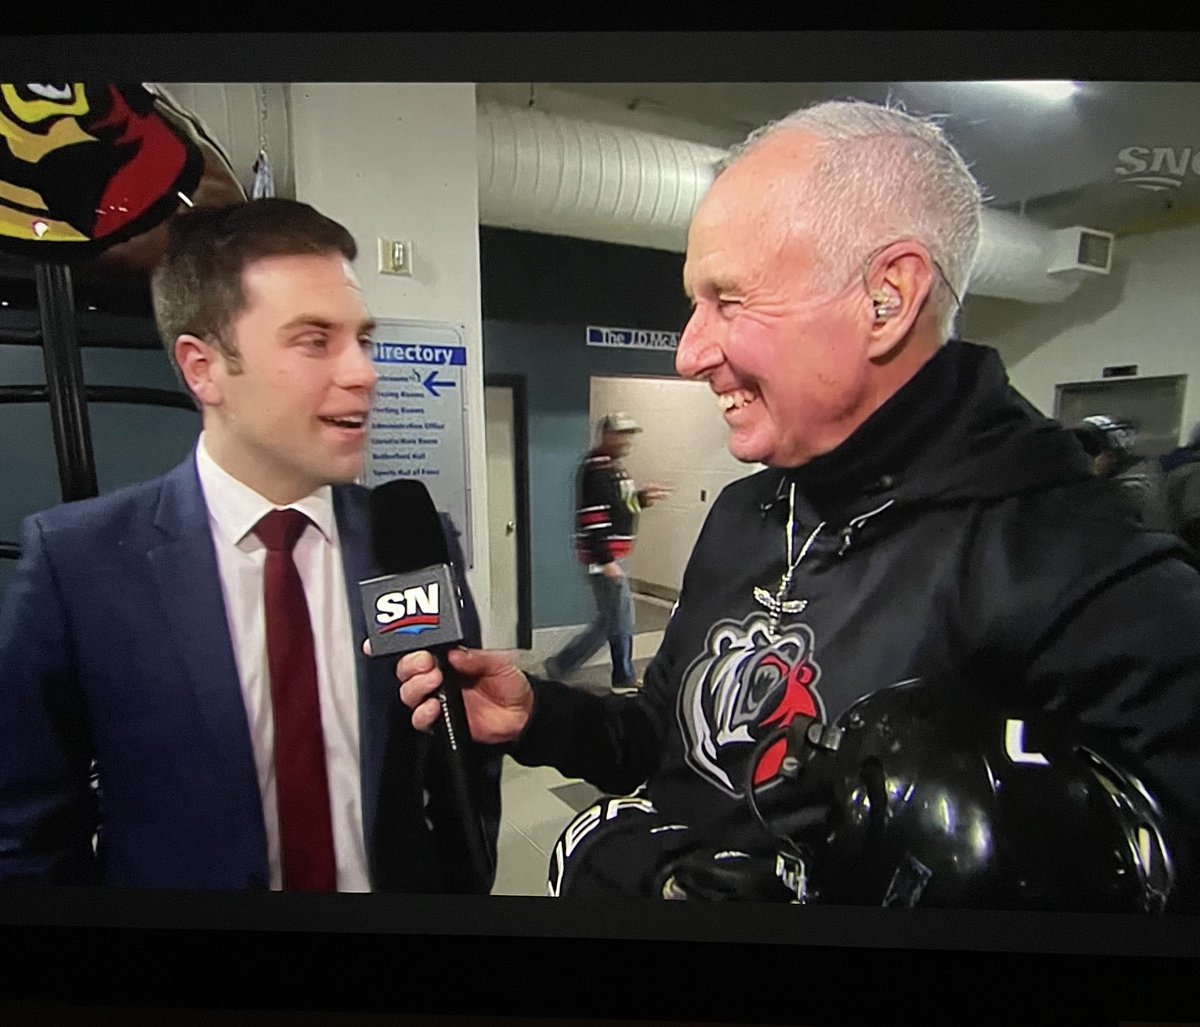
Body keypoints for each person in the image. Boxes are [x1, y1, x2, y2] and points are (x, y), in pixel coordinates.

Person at [395, 100, 1200, 910]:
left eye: (729, 299)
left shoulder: (1102, 584)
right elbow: (663, 739)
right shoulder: (749, 511)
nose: (689, 350)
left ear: (886, 297)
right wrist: (541, 715)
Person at [0, 198, 500, 893]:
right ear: (203, 368)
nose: (364, 372)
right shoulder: (77, 566)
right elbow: (26, 834)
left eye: (362, 337)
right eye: (314, 339)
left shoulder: (406, 539)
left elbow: (459, 752)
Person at [544, 413, 670, 694]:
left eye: (629, 435)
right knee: (622, 619)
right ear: (607, 435)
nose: (627, 441)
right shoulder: (596, 470)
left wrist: (641, 499)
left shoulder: (613, 468)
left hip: (612, 555)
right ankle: (622, 676)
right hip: (605, 558)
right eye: (622, 435)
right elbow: (594, 517)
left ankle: (561, 665)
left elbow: (621, 508)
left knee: (609, 620)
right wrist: (606, 560)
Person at [1072, 414, 1172, 531]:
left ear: (1110, 455)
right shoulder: (1131, 477)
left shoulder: (1132, 488)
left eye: (1090, 452)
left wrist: (1093, 477)